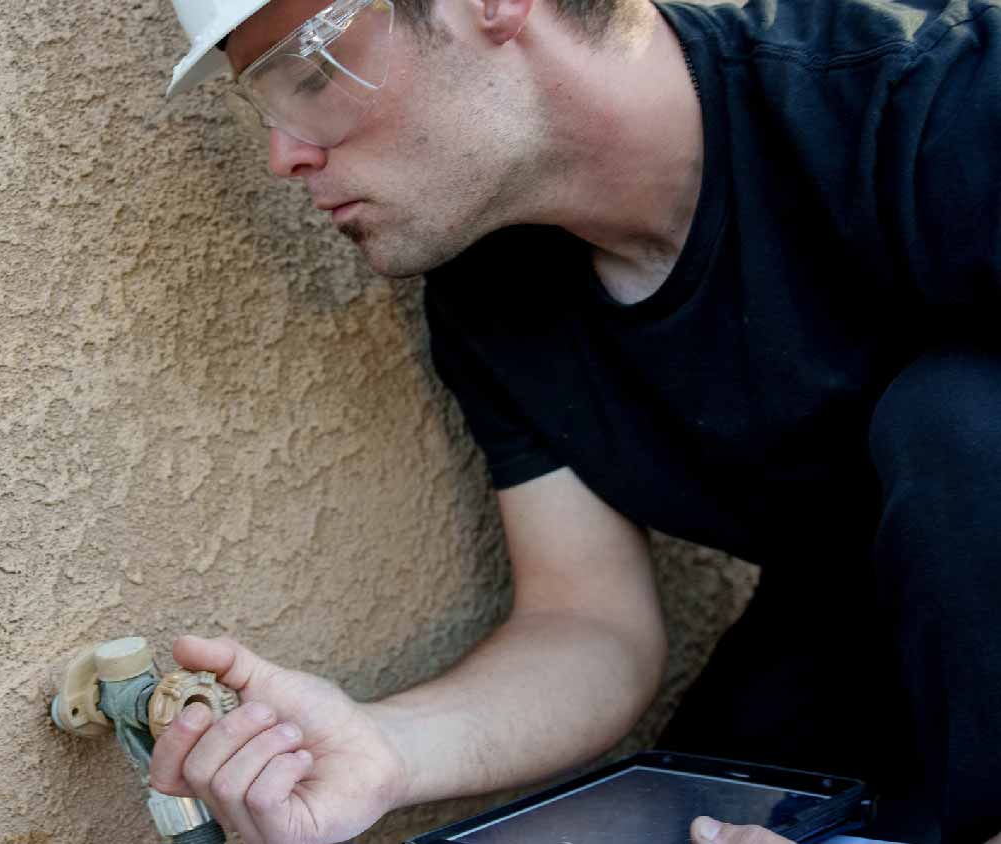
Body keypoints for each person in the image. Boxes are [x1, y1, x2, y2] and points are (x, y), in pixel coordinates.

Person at [145, 0, 1001, 842]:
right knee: (680, 805)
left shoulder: (941, 105)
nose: (282, 154)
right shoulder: (492, 284)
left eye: (309, 69)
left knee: (961, 416)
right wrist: (384, 748)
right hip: (873, 635)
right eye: (262, 99)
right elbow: (590, 623)